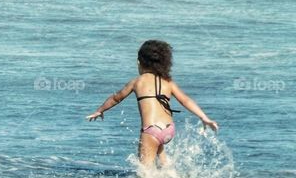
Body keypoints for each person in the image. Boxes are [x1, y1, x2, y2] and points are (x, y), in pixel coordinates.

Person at [86, 40, 218, 167]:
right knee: (165, 165)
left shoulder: (137, 82)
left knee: (145, 172)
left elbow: (116, 98)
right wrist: (204, 117)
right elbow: (185, 100)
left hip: (151, 131)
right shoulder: (168, 82)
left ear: (139, 63)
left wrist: (100, 110)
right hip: (168, 129)